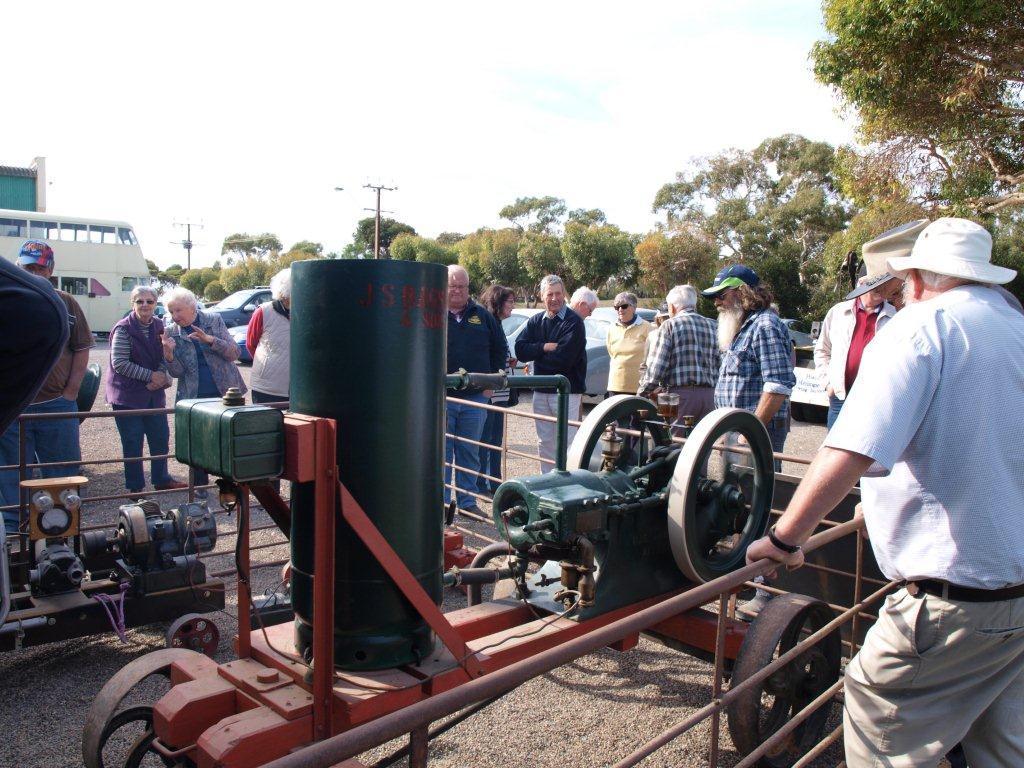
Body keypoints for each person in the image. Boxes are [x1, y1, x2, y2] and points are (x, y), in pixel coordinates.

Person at [746, 217, 1024, 767]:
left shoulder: (922, 328)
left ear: (918, 277)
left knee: (880, 722)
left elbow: (852, 447)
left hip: (949, 599)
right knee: (1001, 746)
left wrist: (782, 538)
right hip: (1012, 594)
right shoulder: (1014, 326)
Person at [0, 241, 94, 531]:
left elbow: (82, 348)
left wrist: (71, 392)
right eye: (29, 267)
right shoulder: (9, 302)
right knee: (12, 470)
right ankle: (16, 528)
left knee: (63, 470)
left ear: (51, 271)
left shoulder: (66, 302)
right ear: (19, 269)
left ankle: (61, 526)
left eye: (41, 267)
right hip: (15, 405)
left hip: (56, 403)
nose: (36, 273)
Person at [814, 221, 927, 429]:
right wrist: (828, 383)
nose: (896, 301)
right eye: (882, 291)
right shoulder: (839, 313)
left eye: (893, 293)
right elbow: (822, 350)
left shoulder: (902, 316)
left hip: (877, 401)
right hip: (840, 397)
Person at [703, 265, 795, 455]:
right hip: (735, 428)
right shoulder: (741, 327)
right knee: (733, 483)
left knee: (753, 484)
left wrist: (751, 431)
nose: (716, 303)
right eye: (714, 297)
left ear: (743, 292)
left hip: (756, 431)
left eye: (721, 295)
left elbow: (778, 386)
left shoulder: (765, 325)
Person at [162, 286, 246, 494]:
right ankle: (200, 487)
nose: (175, 316)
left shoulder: (213, 320)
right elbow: (177, 372)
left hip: (226, 392)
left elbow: (234, 353)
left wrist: (210, 340)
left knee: (227, 439)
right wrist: (169, 355)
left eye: (178, 310)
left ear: (192, 308)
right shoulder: (172, 331)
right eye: (171, 311)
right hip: (194, 395)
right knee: (197, 442)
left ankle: (230, 486)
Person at [106, 285, 187, 498]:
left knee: (160, 436)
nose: (145, 305)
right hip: (127, 395)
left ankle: (161, 479)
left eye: (149, 302)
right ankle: (135, 487)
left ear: (155, 304)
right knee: (132, 441)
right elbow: (120, 363)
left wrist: (160, 376)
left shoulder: (161, 326)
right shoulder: (123, 329)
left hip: (153, 394)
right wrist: (151, 377)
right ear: (133, 304)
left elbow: (164, 355)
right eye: (140, 301)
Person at [444, 266, 507, 514]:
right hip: (443, 399)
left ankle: (468, 504)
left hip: (475, 400)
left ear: (468, 288)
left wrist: (489, 387)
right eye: (452, 286)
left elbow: (500, 349)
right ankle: (442, 504)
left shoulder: (483, 316)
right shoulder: (432, 315)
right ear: (444, 287)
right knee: (443, 455)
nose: (457, 290)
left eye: (462, 286)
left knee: (471, 453)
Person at [515, 275, 587, 473]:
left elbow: (565, 360)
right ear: (541, 296)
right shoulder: (536, 321)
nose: (554, 298)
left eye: (558, 293)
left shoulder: (574, 323)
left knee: (568, 441)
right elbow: (520, 349)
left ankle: (568, 483)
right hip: (541, 391)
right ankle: (547, 481)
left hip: (567, 392)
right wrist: (544, 347)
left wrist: (537, 356)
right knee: (544, 442)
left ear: (564, 294)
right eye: (549, 294)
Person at [640, 284, 719, 427]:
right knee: (703, 444)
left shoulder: (669, 325)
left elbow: (656, 369)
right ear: (694, 305)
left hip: (676, 396)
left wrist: (642, 393)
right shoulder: (714, 325)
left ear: (672, 307)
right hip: (710, 396)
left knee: (675, 443)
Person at [476, 284, 517, 495]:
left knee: (495, 438)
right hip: (490, 389)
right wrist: (489, 384)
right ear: (498, 302)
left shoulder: (498, 324)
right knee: (485, 438)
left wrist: (508, 361)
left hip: (500, 389)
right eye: (509, 301)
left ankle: (494, 481)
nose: (512, 305)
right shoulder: (487, 322)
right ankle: (481, 482)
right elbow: (485, 355)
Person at [246, 268, 292, 404]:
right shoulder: (263, 311)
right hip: (267, 388)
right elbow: (251, 344)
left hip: (298, 387)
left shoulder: (307, 313)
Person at [605, 292, 650, 397]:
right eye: (617, 307)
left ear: (634, 308)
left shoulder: (647, 327)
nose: (620, 309)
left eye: (624, 306)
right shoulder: (611, 328)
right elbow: (611, 352)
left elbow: (652, 355)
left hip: (639, 386)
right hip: (615, 385)